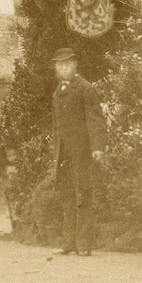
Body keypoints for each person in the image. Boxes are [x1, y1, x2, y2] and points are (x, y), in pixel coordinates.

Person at [51, 47, 107, 257]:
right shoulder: (57, 92)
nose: (64, 68)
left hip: (82, 151)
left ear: (75, 66)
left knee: (83, 194)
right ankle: (68, 243)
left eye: (68, 64)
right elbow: (56, 125)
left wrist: (97, 146)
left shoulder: (85, 88)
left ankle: (83, 244)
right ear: (56, 68)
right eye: (60, 65)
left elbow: (95, 119)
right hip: (63, 153)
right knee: (67, 197)